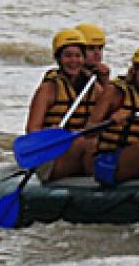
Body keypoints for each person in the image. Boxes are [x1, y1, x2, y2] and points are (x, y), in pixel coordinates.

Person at [86, 43, 139, 185]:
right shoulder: (114, 92)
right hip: (108, 164)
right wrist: (111, 120)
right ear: (134, 70)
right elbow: (88, 131)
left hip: (137, 160)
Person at [25, 28, 96, 180]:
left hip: (79, 151)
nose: (73, 61)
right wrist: (49, 134)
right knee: (88, 143)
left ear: (84, 58)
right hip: (50, 159)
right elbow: (32, 131)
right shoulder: (48, 89)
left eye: (78, 56)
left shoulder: (94, 87)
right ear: (58, 58)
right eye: (68, 56)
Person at [74, 22, 112, 98]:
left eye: (100, 48)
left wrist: (105, 81)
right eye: (91, 48)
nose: (97, 53)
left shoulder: (101, 74)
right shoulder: (68, 77)